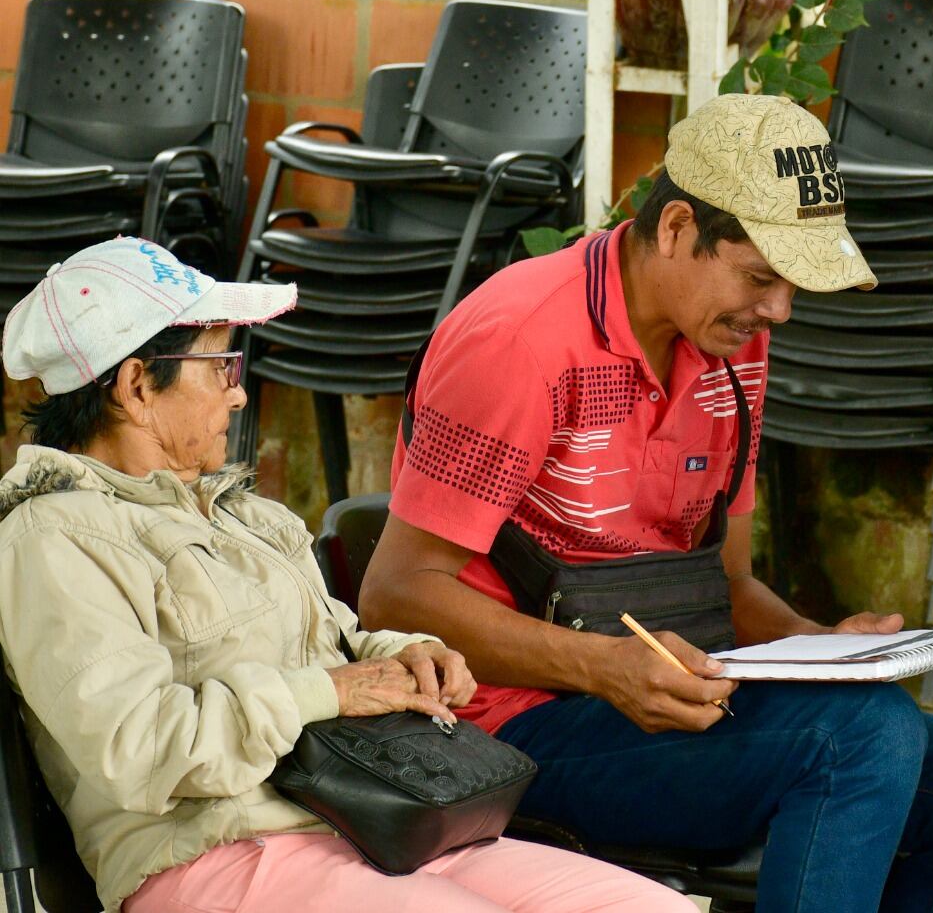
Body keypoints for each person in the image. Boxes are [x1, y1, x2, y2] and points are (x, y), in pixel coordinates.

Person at [361, 94, 933, 913]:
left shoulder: (732, 344)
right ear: (674, 231)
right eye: (760, 276)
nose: (778, 310)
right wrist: (605, 669)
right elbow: (397, 590)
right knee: (860, 740)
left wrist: (820, 649)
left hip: (675, 696)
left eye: (790, 285)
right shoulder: (519, 341)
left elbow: (726, 586)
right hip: (509, 726)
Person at [0, 237, 692, 913]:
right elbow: (140, 749)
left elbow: (340, 647)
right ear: (137, 386)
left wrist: (405, 657)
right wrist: (326, 692)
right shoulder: (53, 538)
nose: (237, 397)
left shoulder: (247, 518)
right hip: (215, 852)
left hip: (372, 823)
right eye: (219, 368)